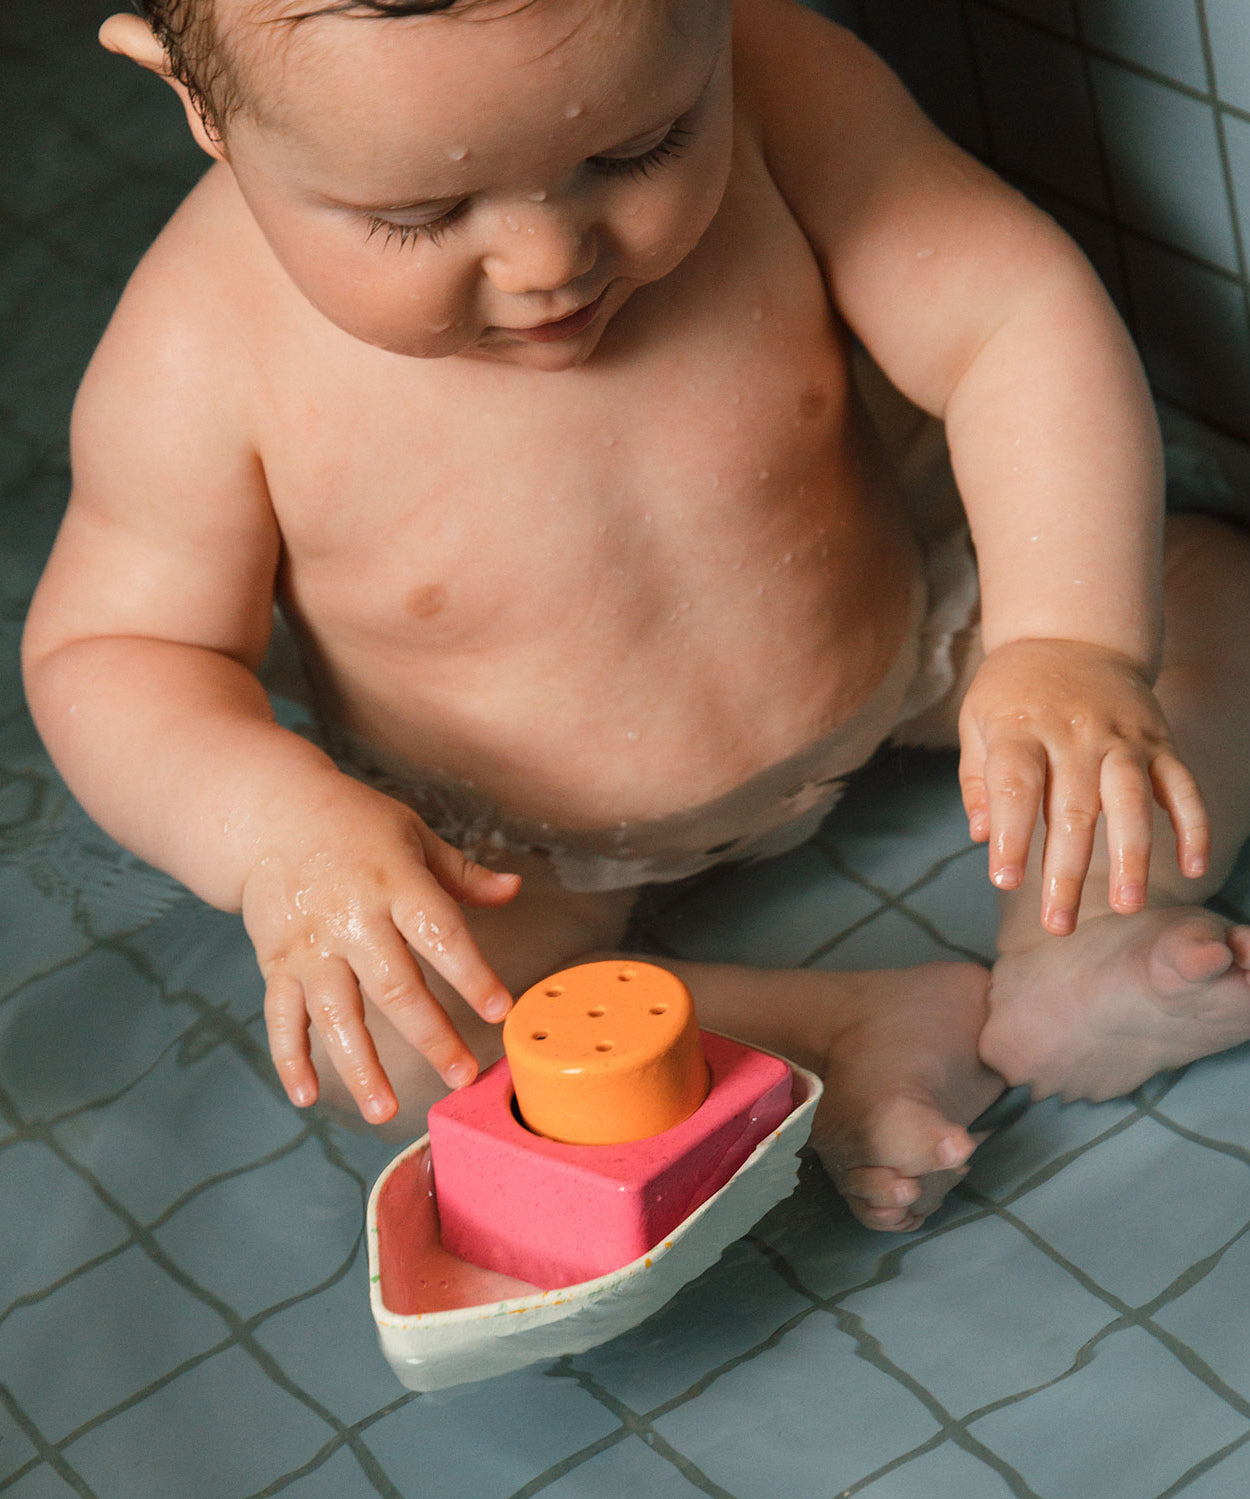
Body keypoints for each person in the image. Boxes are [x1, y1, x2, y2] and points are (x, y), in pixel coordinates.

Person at [22, 0, 1250, 1233]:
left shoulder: (783, 84)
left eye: (637, 149)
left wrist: (1062, 641)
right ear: (196, 99)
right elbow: (119, 651)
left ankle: (1086, 935)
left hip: (914, 639)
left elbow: (1006, 321)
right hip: (508, 846)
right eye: (419, 216)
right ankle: (818, 1040)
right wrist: (280, 835)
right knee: (397, 1051)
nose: (548, 259)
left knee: (1204, 597)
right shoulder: (199, 349)